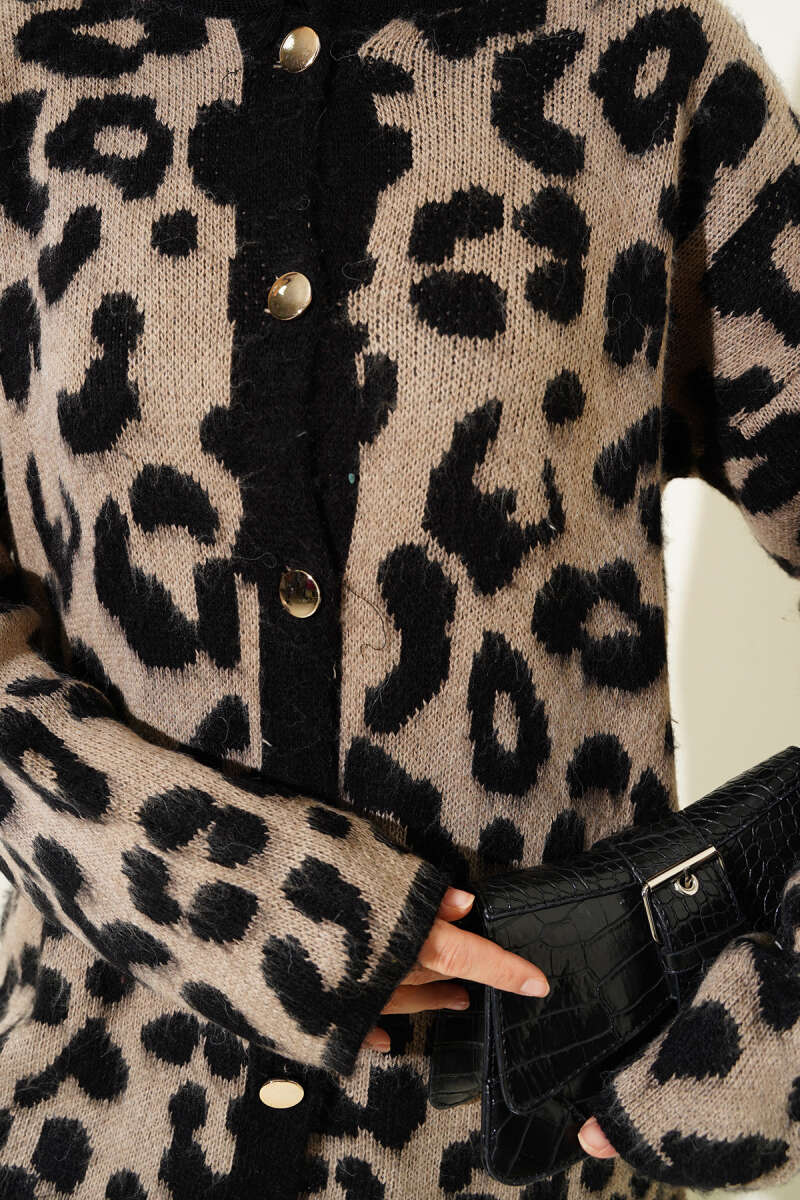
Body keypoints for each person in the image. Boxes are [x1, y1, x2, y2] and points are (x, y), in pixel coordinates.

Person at [0, 0, 795, 1196]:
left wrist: (771, 1033)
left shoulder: (647, 62)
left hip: (515, 1157)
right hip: (87, 1127)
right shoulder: (25, 60)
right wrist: (236, 894)